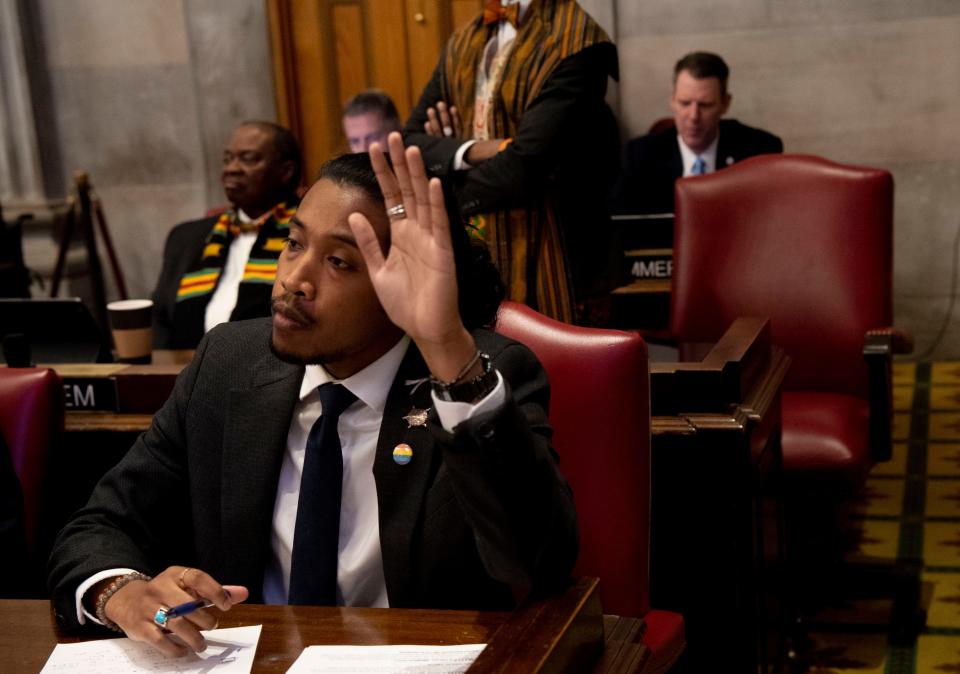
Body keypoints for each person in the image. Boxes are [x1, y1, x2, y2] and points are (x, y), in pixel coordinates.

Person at [47, 134, 578, 658]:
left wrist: (445, 349)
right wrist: (120, 592)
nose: (294, 280)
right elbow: (99, 525)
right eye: (295, 244)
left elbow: (536, 563)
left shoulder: (475, 375)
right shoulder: (228, 364)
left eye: (340, 262)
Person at [403, 0, 621, 324]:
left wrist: (444, 191)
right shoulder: (465, 38)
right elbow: (410, 139)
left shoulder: (578, 41)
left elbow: (524, 168)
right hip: (480, 258)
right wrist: (475, 150)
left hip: (557, 260)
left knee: (555, 370)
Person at [152, 121, 302, 349]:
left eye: (248, 159)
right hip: (187, 373)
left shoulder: (303, 237)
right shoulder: (187, 237)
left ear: (286, 171)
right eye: (228, 159)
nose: (232, 168)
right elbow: (160, 319)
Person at [609, 51, 783, 215]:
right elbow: (619, 226)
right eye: (685, 103)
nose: (693, 117)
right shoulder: (640, 156)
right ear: (672, 101)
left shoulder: (759, 152)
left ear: (725, 103)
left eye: (705, 105)